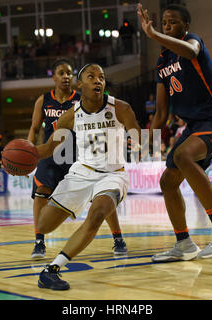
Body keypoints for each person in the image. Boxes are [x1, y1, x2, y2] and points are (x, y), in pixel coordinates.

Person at [138, 3, 212, 262]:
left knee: (183, 156)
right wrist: (144, 144)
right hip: (196, 125)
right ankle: (184, 243)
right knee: (167, 182)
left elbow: (191, 50)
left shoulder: (192, 41)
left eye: (172, 22)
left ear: (185, 26)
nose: (166, 26)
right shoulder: (162, 61)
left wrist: (153, 35)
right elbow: (161, 113)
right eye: (163, 23)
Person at [36, 63, 141, 290]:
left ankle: (52, 270)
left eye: (101, 77)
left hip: (113, 174)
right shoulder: (69, 117)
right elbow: (47, 149)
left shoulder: (121, 108)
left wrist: (138, 141)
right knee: (43, 225)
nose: (98, 81)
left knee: (98, 214)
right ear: (80, 84)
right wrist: (27, 155)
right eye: (91, 77)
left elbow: (137, 132)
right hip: (81, 173)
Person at [27, 59, 127, 260]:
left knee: (101, 196)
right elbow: (35, 128)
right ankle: (39, 240)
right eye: (61, 73)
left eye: (69, 73)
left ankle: (118, 237)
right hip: (51, 152)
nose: (65, 77)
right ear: (54, 77)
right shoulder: (43, 100)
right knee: (41, 193)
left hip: (79, 155)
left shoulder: (84, 98)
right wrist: (28, 152)